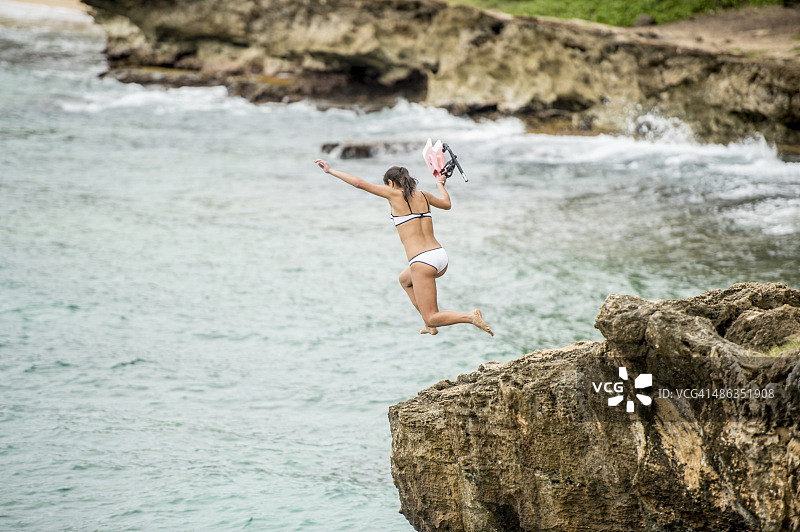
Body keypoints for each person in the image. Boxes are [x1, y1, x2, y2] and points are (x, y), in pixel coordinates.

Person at [314, 158, 493, 336]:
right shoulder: (424, 195)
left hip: (422, 261)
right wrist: (440, 183)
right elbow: (447, 204)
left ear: (390, 183)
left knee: (433, 316)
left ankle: (469, 317)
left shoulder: (393, 195)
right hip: (440, 257)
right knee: (404, 280)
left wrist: (331, 171)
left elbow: (359, 183)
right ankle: (428, 324)